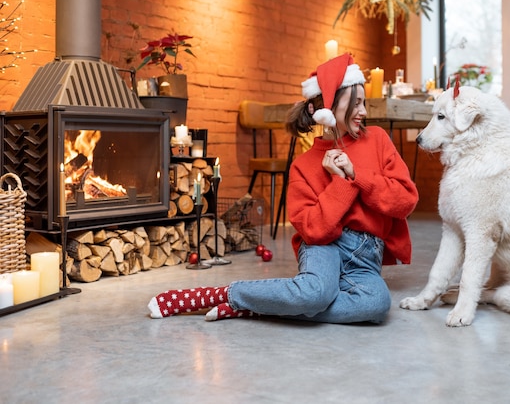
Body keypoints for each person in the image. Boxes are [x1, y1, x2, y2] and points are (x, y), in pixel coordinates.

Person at [148, 53, 419, 323]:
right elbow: (314, 231)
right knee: (315, 294)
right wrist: (341, 183)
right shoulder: (303, 166)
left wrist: (356, 173)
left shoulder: (378, 140)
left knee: (376, 304)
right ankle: (223, 295)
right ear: (327, 108)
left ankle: (266, 304)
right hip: (323, 247)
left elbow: (405, 201)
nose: (363, 112)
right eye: (355, 103)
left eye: (364, 103)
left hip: (365, 253)